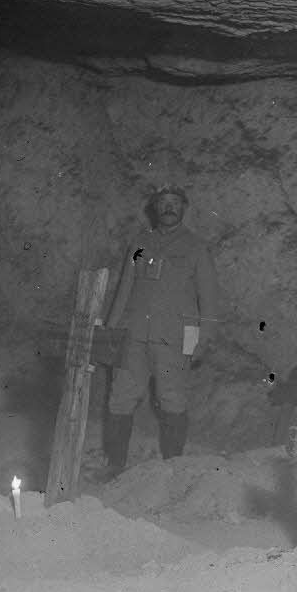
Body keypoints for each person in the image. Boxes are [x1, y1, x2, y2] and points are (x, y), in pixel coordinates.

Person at [98, 185, 220, 479]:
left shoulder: (196, 247)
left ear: (183, 208)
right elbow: (124, 289)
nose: (169, 207)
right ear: (154, 208)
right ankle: (115, 467)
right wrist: (110, 333)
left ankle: (172, 469)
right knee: (120, 397)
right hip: (134, 336)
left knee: (173, 400)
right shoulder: (140, 243)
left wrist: (202, 341)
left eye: (175, 203)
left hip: (174, 338)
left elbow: (210, 300)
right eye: (163, 203)